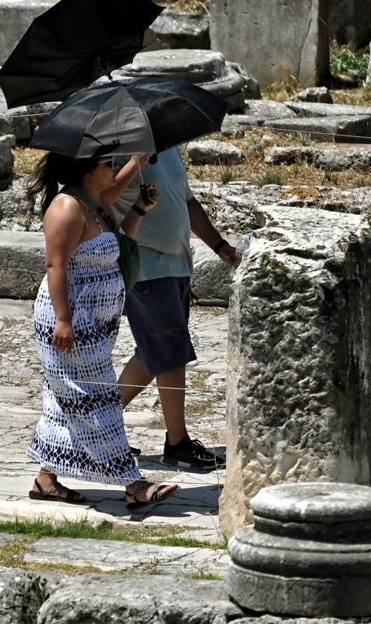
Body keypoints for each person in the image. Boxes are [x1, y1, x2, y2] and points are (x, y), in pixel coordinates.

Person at [25, 150, 180, 511]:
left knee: (65, 399)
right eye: (110, 162)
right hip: (70, 322)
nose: (115, 167)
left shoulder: (94, 203)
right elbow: (56, 266)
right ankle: (132, 483)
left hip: (96, 323)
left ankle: (46, 479)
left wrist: (139, 206)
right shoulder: (66, 208)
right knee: (98, 398)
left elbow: (118, 240)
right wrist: (63, 320)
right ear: (89, 169)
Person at [110, 147, 239, 471]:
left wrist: (219, 246)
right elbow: (102, 196)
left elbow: (187, 202)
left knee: (155, 352)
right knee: (169, 350)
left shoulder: (168, 148)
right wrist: (134, 162)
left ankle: (95, 421)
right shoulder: (116, 148)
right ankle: (177, 443)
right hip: (145, 265)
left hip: (178, 264)